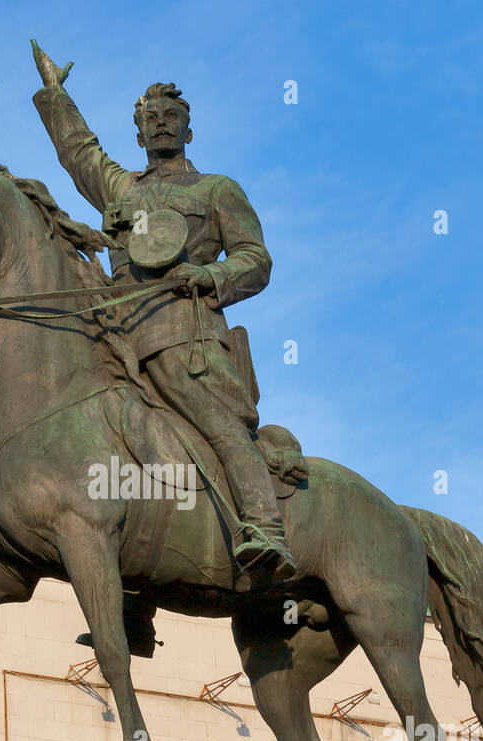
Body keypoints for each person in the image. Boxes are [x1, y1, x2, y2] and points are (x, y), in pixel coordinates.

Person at [32, 40, 296, 580]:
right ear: (138, 133)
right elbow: (79, 152)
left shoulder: (218, 189)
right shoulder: (122, 189)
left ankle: (265, 526)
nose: (160, 125)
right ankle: (133, 588)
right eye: (150, 118)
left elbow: (256, 259)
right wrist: (56, 94)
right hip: (117, 337)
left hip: (185, 339)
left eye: (171, 117)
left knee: (215, 425)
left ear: (188, 131)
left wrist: (211, 275)